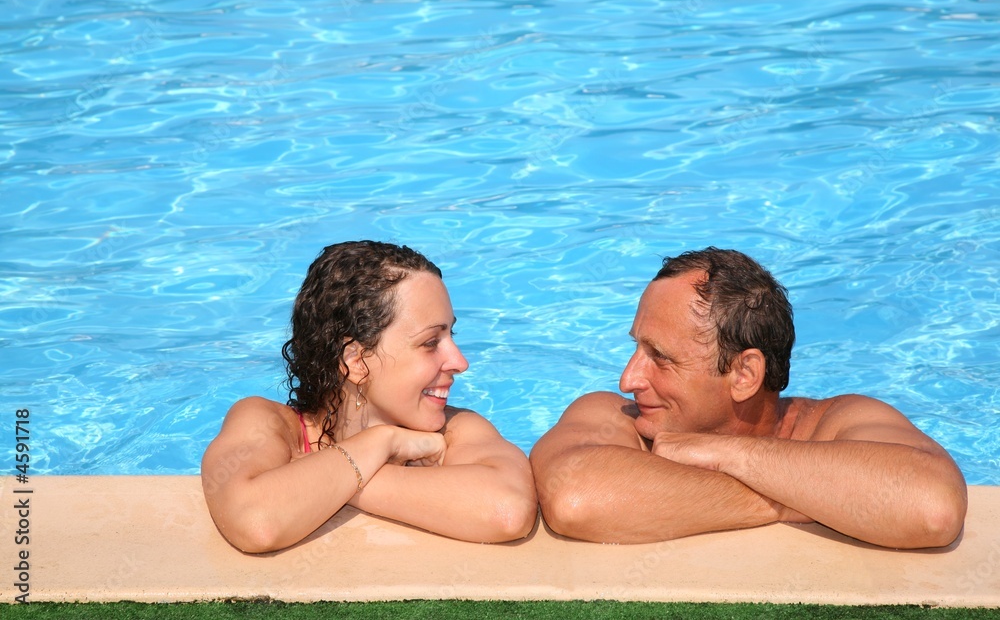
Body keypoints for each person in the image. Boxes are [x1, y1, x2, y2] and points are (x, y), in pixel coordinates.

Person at [530, 247, 967, 549]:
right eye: (636, 348)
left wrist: (725, 453)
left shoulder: (840, 422)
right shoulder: (617, 416)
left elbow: (933, 508)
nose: (629, 379)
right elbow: (574, 497)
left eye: (659, 357)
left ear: (744, 374)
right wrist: (810, 499)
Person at [202, 240, 537, 552]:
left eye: (451, 334)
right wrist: (384, 442)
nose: (460, 362)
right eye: (431, 342)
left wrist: (326, 479)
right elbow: (256, 522)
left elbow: (508, 510)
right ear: (357, 361)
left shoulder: (457, 430)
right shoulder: (268, 423)